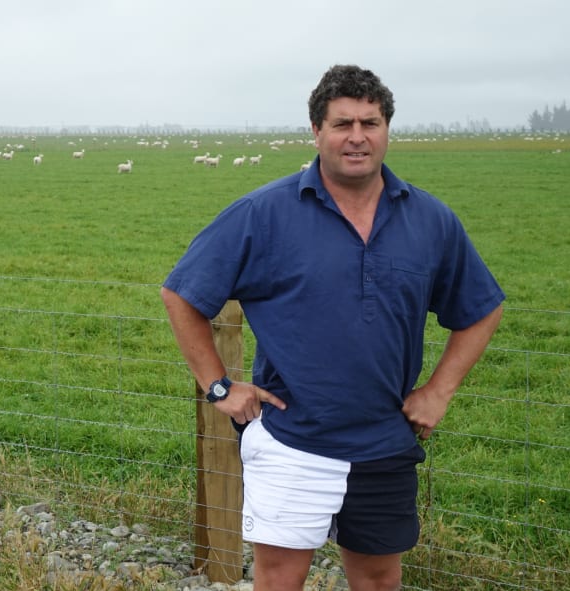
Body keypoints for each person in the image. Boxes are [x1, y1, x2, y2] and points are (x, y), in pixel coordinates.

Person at [161, 64, 505, 591]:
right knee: (279, 579)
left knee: (378, 580)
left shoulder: (431, 220)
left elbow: (482, 308)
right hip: (291, 440)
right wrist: (219, 386)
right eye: (342, 123)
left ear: (387, 129)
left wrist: (439, 391)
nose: (357, 137)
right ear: (316, 131)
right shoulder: (264, 213)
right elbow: (181, 294)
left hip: (386, 441)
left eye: (371, 122)